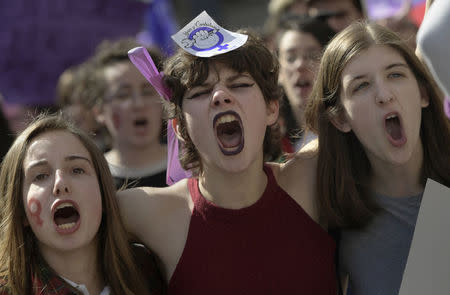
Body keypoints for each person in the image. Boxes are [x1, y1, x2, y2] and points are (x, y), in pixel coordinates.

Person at [118, 17, 337, 294]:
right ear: (180, 128)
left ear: (272, 109)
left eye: (240, 85)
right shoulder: (150, 211)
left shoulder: (310, 176)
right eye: (200, 91)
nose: (220, 96)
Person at [304, 21, 450, 295]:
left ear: (423, 93)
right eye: (361, 87)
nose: (384, 95)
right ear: (340, 118)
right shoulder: (331, 210)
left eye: (395, 75)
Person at [0, 114, 165, 294]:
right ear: (20, 211)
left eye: (77, 170)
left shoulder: (147, 271)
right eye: (40, 176)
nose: (60, 184)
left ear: (103, 194)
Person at [92, 38, 168, 189]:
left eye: (147, 92)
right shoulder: (92, 177)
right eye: (123, 95)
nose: (138, 104)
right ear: (99, 111)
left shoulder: (192, 168)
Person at [276, 15, 335, 150]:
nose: (300, 65)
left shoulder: (351, 131)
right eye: (291, 58)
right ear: (279, 71)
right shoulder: (268, 142)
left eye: (313, 56)